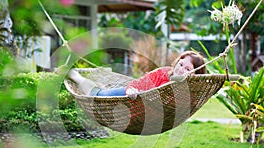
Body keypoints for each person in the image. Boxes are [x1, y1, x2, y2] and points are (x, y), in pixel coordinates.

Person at [68, 50, 205, 97]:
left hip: (148, 112)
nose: (181, 69)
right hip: (131, 95)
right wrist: (133, 89)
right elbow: (141, 83)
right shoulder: (163, 73)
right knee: (96, 95)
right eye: (181, 64)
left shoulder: (189, 91)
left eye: (187, 69)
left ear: (195, 74)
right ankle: (76, 76)